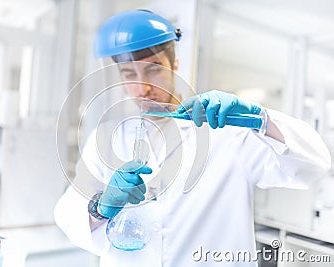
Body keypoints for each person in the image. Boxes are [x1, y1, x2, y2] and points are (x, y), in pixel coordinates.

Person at [54, 10, 331, 266]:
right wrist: (100, 206)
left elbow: (314, 165)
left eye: (153, 69)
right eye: (129, 74)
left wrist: (260, 117)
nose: (142, 87)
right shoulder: (107, 138)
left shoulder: (227, 134)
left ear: (174, 64)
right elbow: (68, 215)